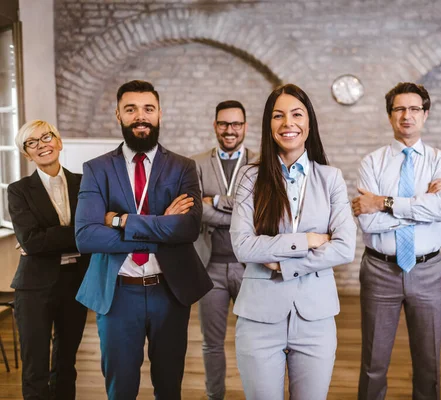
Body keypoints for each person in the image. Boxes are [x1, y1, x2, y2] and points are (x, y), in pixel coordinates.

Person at [74, 80, 213, 400]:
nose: (141, 116)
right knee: (120, 388)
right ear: (118, 115)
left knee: (168, 385)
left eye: (148, 109)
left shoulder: (183, 167)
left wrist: (121, 221)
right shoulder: (96, 170)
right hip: (117, 295)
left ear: (160, 113)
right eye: (131, 109)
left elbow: (188, 229)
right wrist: (162, 226)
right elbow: (86, 236)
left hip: (169, 291)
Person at [229, 83, 356, 400]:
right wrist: (308, 240)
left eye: (297, 114)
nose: (288, 123)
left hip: (316, 316)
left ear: (309, 123)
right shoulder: (250, 177)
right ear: (268, 125)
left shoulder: (331, 178)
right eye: (278, 115)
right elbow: (243, 245)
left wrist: (282, 263)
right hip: (259, 316)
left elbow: (344, 247)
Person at [352, 82, 441, 400]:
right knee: (373, 362)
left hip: (428, 270)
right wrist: (420, 205)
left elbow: (440, 209)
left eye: (414, 109)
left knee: (428, 362)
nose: (406, 115)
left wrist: (384, 202)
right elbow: (367, 219)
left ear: (425, 115)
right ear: (390, 116)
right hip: (379, 270)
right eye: (399, 109)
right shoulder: (372, 163)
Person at [8, 120, 90, 400]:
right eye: (32, 143)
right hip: (34, 288)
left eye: (46, 137)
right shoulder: (18, 190)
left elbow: (93, 232)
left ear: (59, 141)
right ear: (26, 153)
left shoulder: (85, 183)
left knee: (66, 364)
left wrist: (49, 237)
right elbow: (31, 240)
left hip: (76, 284)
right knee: (36, 368)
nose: (42, 145)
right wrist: (78, 232)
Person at [191, 100, 257, 400]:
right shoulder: (196, 164)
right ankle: (213, 396)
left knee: (255, 340)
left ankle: (258, 393)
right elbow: (194, 210)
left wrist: (215, 201)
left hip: (251, 268)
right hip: (210, 267)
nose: (230, 130)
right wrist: (237, 210)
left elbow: (258, 212)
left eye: (236, 124)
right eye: (224, 124)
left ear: (245, 127)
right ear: (215, 125)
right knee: (211, 343)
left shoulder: (261, 162)